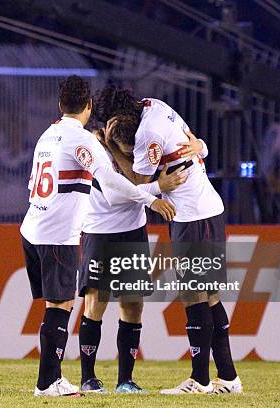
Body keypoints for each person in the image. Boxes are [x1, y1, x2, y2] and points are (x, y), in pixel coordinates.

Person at [20, 76, 176, 397]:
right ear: (90, 107)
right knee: (89, 303)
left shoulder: (51, 135)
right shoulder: (90, 139)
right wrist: (155, 194)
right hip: (94, 227)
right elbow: (114, 185)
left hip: (119, 227)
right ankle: (81, 378)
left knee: (130, 306)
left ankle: (123, 381)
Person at [94, 85, 242, 394]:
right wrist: (201, 146)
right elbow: (196, 147)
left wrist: (110, 146)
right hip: (205, 208)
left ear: (118, 117)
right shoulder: (154, 105)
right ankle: (227, 377)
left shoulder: (147, 134)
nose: (114, 131)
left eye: (111, 123)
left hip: (191, 214)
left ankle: (200, 380)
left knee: (195, 296)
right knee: (210, 296)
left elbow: (137, 183)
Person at [78, 115, 187, 394]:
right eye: (125, 148)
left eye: (132, 149)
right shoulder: (93, 147)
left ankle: (125, 380)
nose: (131, 154)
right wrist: (158, 188)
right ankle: (88, 379)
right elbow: (115, 195)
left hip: (133, 230)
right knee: (95, 304)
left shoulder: (139, 148)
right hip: (100, 230)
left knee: (133, 306)